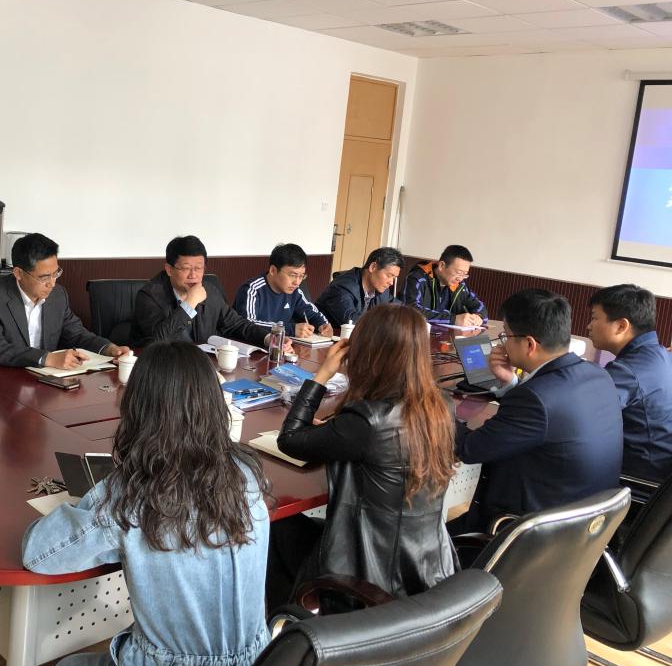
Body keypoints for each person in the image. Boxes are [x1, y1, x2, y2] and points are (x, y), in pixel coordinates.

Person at [22, 341, 271, 666]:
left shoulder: (134, 494)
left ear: (137, 410)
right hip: (259, 664)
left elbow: (38, 553)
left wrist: (95, 498)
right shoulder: (247, 474)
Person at [267, 305, 457, 610]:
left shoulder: (367, 422)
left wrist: (322, 375)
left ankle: (288, 626)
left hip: (365, 576)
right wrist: (338, 429)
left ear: (368, 353)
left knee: (278, 526)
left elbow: (289, 439)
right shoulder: (442, 408)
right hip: (427, 570)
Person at [453, 289, 623, 533]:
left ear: (530, 344)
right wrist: (511, 383)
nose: (503, 343)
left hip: (523, 532)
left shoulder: (535, 399)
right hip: (587, 528)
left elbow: (470, 449)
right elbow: (542, 419)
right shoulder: (598, 375)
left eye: (505, 335)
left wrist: (436, 408)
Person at [0, 233, 129, 369]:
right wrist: (46, 358)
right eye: (44, 277)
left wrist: (109, 349)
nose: (52, 283)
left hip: (44, 379)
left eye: (56, 273)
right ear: (18, 273)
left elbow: (77, 334)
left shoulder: (58, 295)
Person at [131, 235, 280, 351]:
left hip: (202, 366)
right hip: (161, 368)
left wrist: (268, 338)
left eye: (198, 268)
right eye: (186, 268)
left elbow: (236, 324)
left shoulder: (210, 291)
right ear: (169, 269)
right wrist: (189, 303)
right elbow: (159, 341)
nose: (193, 275)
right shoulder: (149, 296)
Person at [587, 284, 672, 482]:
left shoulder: (628, 372)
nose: (589, 326)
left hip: (638, 482)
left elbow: (577, 414)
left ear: (621, 326)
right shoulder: (662, 356)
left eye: (594, 318)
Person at [233, 243, 331, 338]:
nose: (297, 282)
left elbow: (314, 314)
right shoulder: (252, 289)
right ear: (273, 270)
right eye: (292, 275)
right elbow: (247, 324)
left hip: (282, 345)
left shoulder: (295, 292)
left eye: (301, 276)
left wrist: (323, 325)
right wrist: (290, 329)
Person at [315, 246, 403, 328]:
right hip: (325, 337)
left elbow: (399, 307)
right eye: (389, 275)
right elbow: (351, 321)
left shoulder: (381, 288)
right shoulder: (342, 287)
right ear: (373, 267)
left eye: (394, 278)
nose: (391, 282)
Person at [403, 245, 487, 327]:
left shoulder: (459, 285)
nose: (460, 278)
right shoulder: (418, 278)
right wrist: (453, 319)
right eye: (458, 273)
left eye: (464, 274)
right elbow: (411, 310)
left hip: (447, 334)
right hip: (420, 333)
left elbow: (480, 306)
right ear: (441, 266)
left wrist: (479, 317)